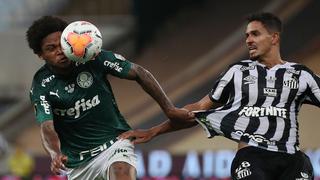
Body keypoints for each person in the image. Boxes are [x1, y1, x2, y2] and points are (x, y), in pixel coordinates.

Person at [119, 12, 320, 180]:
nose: (249, 40)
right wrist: (154, 131)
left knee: (303, 163)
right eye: (247, 36)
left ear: (274, 38)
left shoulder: (301, 75)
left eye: (255, 34)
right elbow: (197, 110)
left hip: (291, 158)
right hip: (253, 157)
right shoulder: (237, 72)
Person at [26, 16, 193, 180]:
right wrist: (55, 153)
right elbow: (47, 126)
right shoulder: (41, 86)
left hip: (115, 143)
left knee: (121, 170)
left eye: (61, 44)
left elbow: (139, 73)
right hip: (78, 165)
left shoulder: (92, 58)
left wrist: (170, 109)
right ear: (40, 55)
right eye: (51, 48)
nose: (59, 51)